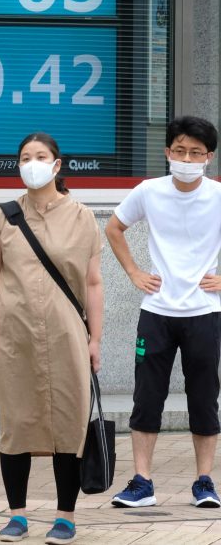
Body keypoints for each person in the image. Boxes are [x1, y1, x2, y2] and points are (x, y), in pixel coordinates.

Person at [0, 133, 103, 545]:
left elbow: (94, 282)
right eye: (26, 157)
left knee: (69, 424)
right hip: (13, 335)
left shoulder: (82, 216)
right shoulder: (3, 216)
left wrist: (95, 338)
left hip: (67, 335)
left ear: (57, 165)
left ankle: (65, 517)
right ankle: (17, 515)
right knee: (16, 423)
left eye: (41, 156)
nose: (33, 162)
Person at [106, 115, 221, 510]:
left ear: (208, 157)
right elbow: (114, 228)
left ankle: (204, 482)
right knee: (147, 396)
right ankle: (142, 482)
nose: (187, 158)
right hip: (156, 311)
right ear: (167, 152)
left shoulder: (218, 195)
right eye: (180, 150)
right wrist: (134, 272)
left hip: (204, 312)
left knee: (204, 398)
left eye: (196, 152)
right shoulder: (149, 191)